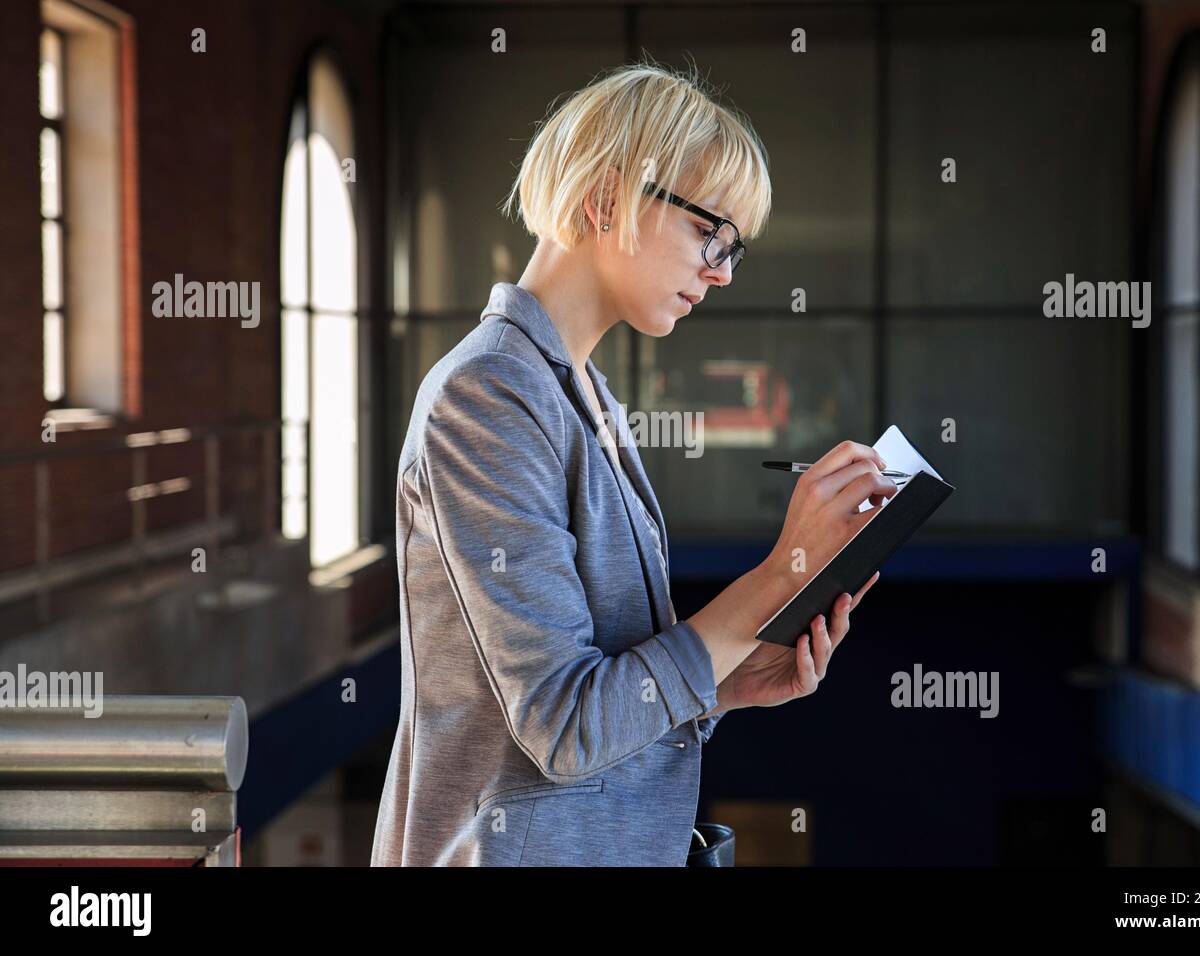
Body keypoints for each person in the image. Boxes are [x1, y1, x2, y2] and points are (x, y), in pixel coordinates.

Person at [371, 61, 897, 866]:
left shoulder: (588, 397)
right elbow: (564, 725)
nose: (720, 270)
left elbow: (598, 699)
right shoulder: (486, 398)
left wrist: (726, 682)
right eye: (707, 232)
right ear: (609, 198)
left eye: (733, 248)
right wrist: (784, 573)